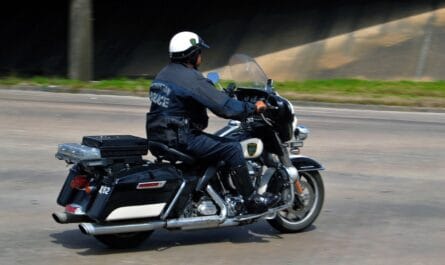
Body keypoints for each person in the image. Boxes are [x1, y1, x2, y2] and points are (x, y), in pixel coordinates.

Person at [146, 31, 279, 213]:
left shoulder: (164, 74)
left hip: (159, 135)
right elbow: (226, 109)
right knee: (233, 149)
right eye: (199, 51)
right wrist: (253, 107)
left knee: (214, 144)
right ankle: (251, 200)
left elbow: (194, 98)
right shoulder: (191, 79)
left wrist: (219, 94)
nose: (201, 55)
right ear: (192, 55)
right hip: (182, 138)